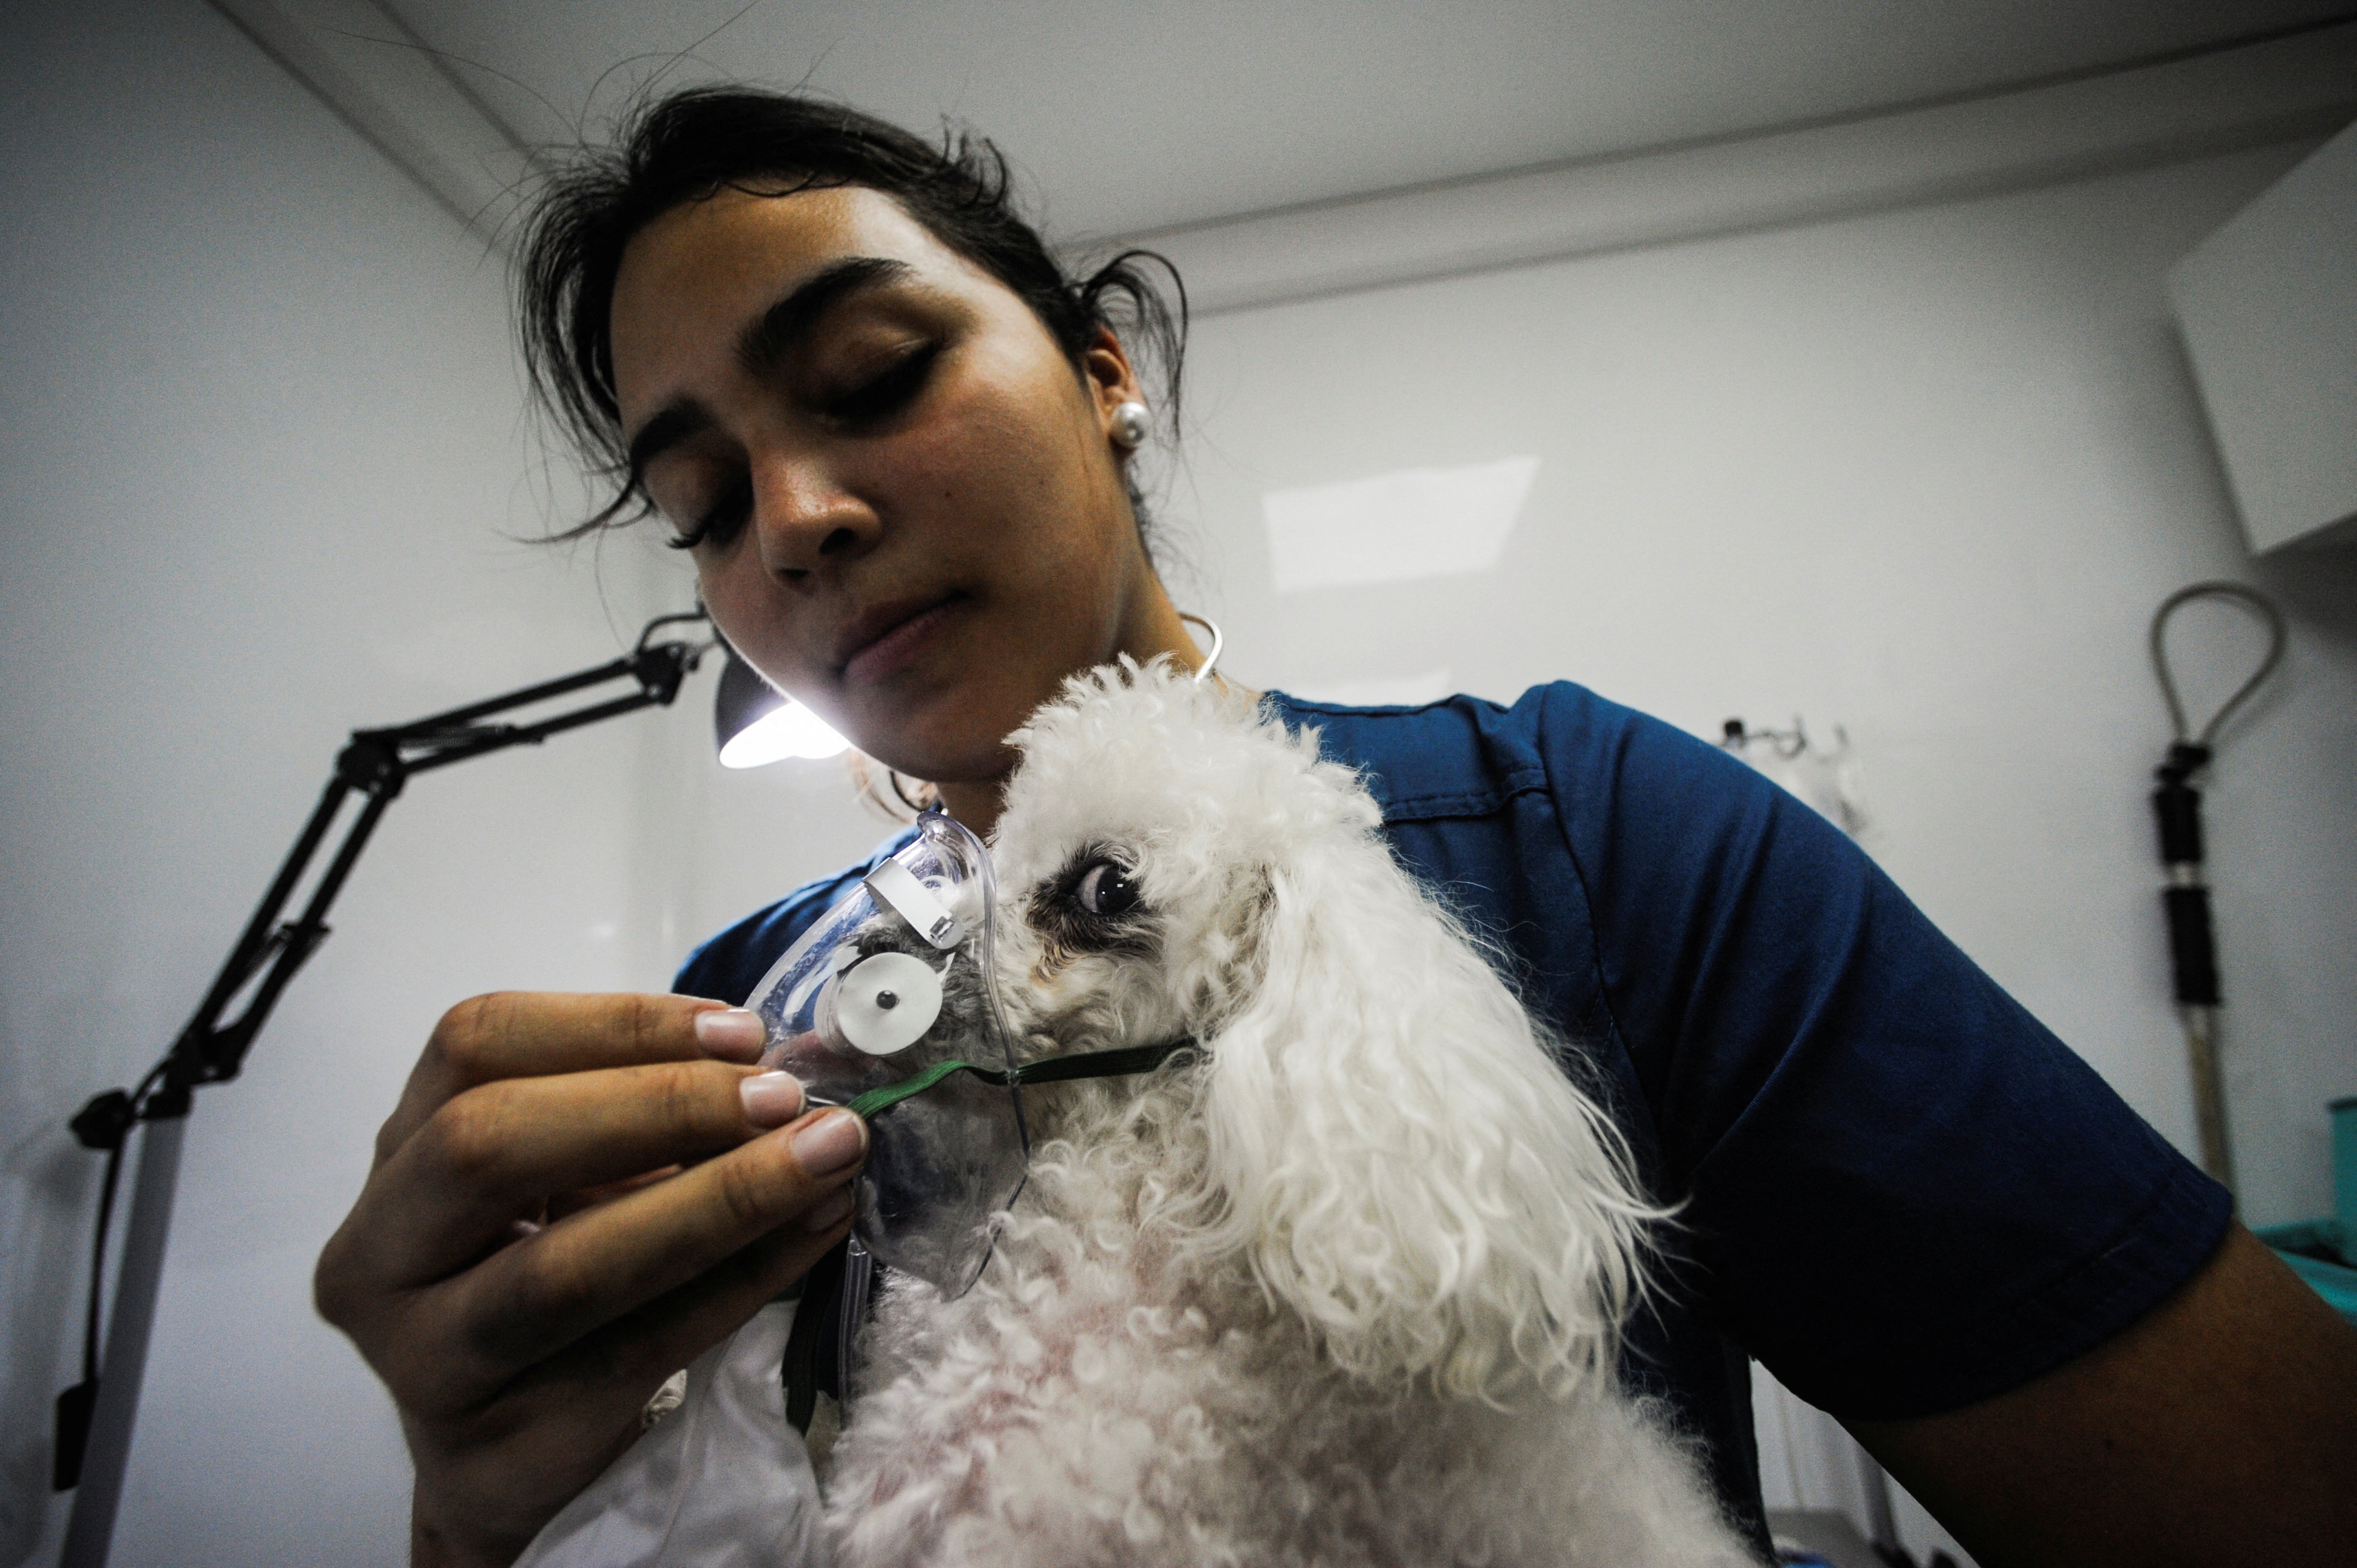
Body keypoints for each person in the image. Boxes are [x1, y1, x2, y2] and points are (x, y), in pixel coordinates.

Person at [314, 86, 2357, 1568]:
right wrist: (479, 1499)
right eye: (701, 509)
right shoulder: (732, 1019)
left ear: (1105, 373)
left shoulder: (1595, 837)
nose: (796, 524)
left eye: (868, 374)